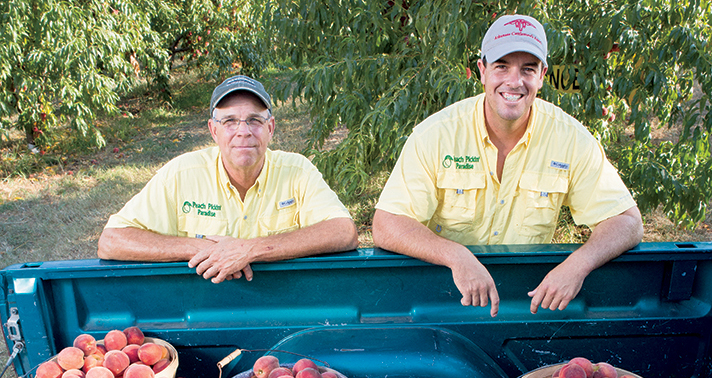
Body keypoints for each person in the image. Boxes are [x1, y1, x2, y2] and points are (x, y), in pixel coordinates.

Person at [372, 14, 643, 316]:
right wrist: (456, 255)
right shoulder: (436, 135)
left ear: (542, 75)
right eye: (502, 66)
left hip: (526, 299)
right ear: (482, 71)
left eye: (528, 69)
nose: (515, 82)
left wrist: (577, 266)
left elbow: (627, 222)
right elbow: (387, 224)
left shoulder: (570, 139)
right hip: (443, 294)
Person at [98, 75, 358, 283]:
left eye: (255, 120)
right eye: (230, 121)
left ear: (271, 128)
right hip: (202, 309)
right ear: (213, 130)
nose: (243, 132)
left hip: (284, 304)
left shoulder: (297, 171)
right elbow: (111, 242)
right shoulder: (181, 174)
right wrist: (197, 248)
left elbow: (344, 233)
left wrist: (248, 249)